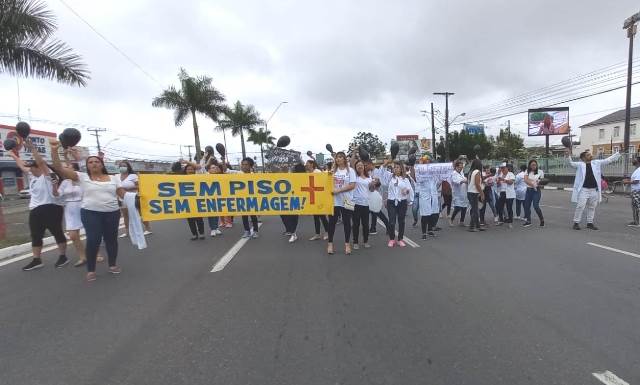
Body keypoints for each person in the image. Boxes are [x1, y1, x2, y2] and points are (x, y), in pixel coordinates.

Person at [51, 140, 125, 282]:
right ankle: (91, 270)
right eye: (90, 162)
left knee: (111, 240)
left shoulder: (114, 178)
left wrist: (139, 198)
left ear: (102, 164)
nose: (93, 163)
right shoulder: (82, 177)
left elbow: (122, 194)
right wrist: (54, 150)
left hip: (112, 213)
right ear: (87, 166)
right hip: (91, 213)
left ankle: (113, 265)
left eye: (96, 161)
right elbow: (58, 168)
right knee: (93, 239)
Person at [10, 141, 67, 271]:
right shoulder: (33, 177)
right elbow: (22, 166)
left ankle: (63, 256)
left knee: (57, 232)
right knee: (36, 235)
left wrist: (33, 149)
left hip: (51, 208)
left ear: (38, 167)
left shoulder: (47, 176)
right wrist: (13, 155)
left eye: (32, 166)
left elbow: (41, 162)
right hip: (35, 210)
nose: (29, 168)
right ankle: (37, 260)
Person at [567, 150, 620, 230]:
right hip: (584, 190)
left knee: (592, 207)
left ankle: (590, 223)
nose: (590, 155)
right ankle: (576, 223)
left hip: (594, 190)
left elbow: (608, 160)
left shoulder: (596, 163)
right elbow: (571, 163)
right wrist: (568, 156)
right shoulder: (580, 165)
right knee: (580, 206)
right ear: (583, 158)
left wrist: (618, 153)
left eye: (590, 154)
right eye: (588, 155)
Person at [379, 160, 414, 247]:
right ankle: (392, 239)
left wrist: (406, 191)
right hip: (391, 202)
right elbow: (381, 172)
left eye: (397, 167)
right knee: (392, 221)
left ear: (401, 169)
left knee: (401, 221)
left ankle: (400, 239)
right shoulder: (390, 177)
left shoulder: (405, 179)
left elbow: (410, 190)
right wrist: (386, 163)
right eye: (394, 167)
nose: (395, 169)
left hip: (402, 202)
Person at [327, 152, 356, 255]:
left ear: (344, 159)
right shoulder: (332, 171)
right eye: (337, 157)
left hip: (348, 200)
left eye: (340, 157)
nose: (338, 159)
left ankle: (347, 244)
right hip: (334, 200)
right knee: (332, 222)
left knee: (347, 222)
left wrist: (339, 190)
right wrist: (330, 173)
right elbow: (326, 182)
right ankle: (330, 243)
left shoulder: (351, 170)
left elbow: (352, 185)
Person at [118, 160, 151, 238]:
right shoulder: (117, 176)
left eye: (124, 165)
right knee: (125, 215)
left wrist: (128, 188)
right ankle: (127, 232)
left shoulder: (133, 176)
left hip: (133, 197)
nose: (122, 167)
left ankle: (148, 229)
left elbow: (139, 186)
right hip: (122, 198)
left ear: (128, 167)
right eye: (121, 166)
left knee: (140, 213)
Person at [413, 155, 440, 240]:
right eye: (426, 162)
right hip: (425, 196)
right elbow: (417, 178)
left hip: (433, 195)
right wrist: (420, 166)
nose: (428, 163)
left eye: (429, 161)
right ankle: (424, 233)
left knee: (434, 214)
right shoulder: (420, 172)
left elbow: (438, 182)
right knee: (425, 215)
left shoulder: (434, 172)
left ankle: (430, 230)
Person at [280, 163, 306, 243]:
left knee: (293, 216)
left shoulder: (304, 177)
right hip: (288, 198)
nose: (293, 169)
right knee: (283, 214)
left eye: (294, 168)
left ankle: (293, 233)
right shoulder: (291, 175)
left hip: (297, 199)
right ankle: (290, 230)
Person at [351, 160, 373, 249]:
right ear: (355, 168)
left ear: (364, 167)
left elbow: (371, 190)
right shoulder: (354, 177)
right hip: (356, 203)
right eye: (358, 166)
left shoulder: (369, 177)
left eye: (361, 165)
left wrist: (374, 184)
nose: (360, 167)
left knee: (366, 224)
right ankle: (355, 242)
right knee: (356, 224)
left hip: (366, 204)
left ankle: (366, 241)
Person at [305, 159, 329, 240]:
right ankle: (317, 234)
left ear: (312, 164)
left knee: (322, 216)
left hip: (320, 197)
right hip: (313, 197)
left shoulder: (317, 171)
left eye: (307, 164)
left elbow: (323, 182)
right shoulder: (308, 173)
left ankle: (327, 232)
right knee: (315, 217)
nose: (306, 165)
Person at [182, 163, 205, 240]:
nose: (190, 170)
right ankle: (194, 234)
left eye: (192, 169)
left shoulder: (198, 177)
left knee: (199, 219)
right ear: (185, 171)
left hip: (197, 200)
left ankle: (201, 233)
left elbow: (199, 167)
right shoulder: (180, 178)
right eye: (188, 169)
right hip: (187, 201)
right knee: (190, 219)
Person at [239, 157, 259, 238]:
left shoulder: (254, 175)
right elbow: (226, 171)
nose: (244, 166)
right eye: (243, 164)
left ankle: (255, 231)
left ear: (250, 166)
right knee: (244, 216)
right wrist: (223, 160)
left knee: (253, 216)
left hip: (252, 198)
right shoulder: (238, 174)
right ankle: (247, 231)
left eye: (246, 164)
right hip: (242, 198)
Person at [523, 159, 545, 227]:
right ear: (529, 165)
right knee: (526, 206)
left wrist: (537, 184)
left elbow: (542, 182)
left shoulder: (540, 172)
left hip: (536, 191)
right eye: (532, 165)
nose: (534, 166)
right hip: (529, 190)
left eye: (535, 165)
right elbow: (526, 180)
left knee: (536, 206)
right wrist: (533, 184)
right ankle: (528, 221)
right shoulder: (527, 171)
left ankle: (542, 219)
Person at [466, 159, 485, 232]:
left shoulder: (471, 172)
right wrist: (482, 194)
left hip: (470, 192)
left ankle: (477, 226)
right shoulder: (477, 172)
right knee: (475, 210)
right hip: (474, 192)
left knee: (475, 210)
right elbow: (477, 184)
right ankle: (471, 227)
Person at [206, 163, 224, 237]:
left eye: (215, 168)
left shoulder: (219, 176)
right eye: (212, 168)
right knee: (211, 214)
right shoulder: (205, 176)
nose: (214, 169)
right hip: (208, 197)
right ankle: (212, 229)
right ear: (209, 170)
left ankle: (216, 227)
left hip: (217, 197)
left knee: (216, 213)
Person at [449, 160, 468, 226]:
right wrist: (464, 181)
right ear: (456, 167)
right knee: (458, 208)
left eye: (462, 167)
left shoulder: (461, 173)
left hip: (464, 193)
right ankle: (451, 219)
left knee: (464, 207)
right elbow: (455, 181)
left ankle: (461, 221)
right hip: (457, 193)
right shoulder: (454, 173)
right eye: (460, 167)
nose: (461, 168)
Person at [623, 156, 640, 227]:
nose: (633, 160)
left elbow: (637, 181)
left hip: (637, 191)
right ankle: (636, 222)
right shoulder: (637, 169)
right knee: (635, 207)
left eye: (634, 159)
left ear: (638, 161)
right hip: (635, 191)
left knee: (637, 206)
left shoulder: (639, 170)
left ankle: (637, 223)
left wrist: (627, 182)